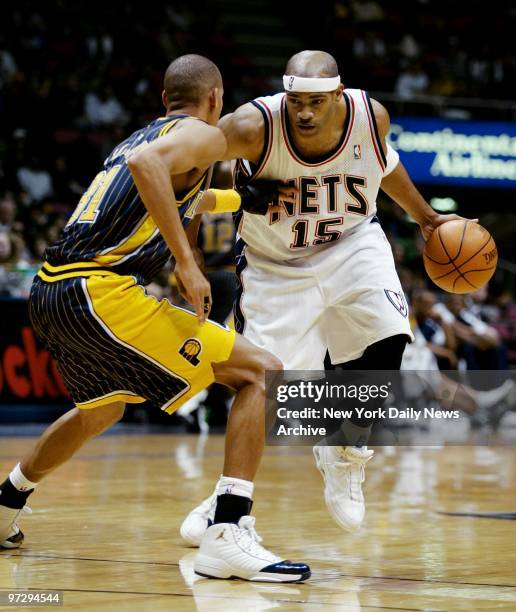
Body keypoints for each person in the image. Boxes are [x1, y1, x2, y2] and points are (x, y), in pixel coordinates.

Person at [0, 54, 310, 583]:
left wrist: (240, 199)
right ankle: (226, 534)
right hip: (98, 292)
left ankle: (6, 502)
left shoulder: (142, 137)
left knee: (102, 410)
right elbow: (150, 172)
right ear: (215, 99)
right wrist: (188, 266)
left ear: (166, 99)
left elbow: (171, 188)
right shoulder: (203, 136)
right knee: (261, 372)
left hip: (51, 291)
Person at [181, 49, 474, 542]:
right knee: (265, 387)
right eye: (297, 101)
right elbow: (185, 165)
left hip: (352, 242)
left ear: (338, 94)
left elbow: (386, 166)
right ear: (284, 94)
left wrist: (426, 218)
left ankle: (345, 450)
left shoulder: (370, 116)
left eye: (317, 101)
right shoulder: (255, 125)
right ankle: (225, 502)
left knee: (389, 334)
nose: (306, 112)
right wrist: (235, 190)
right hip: (275, 265)